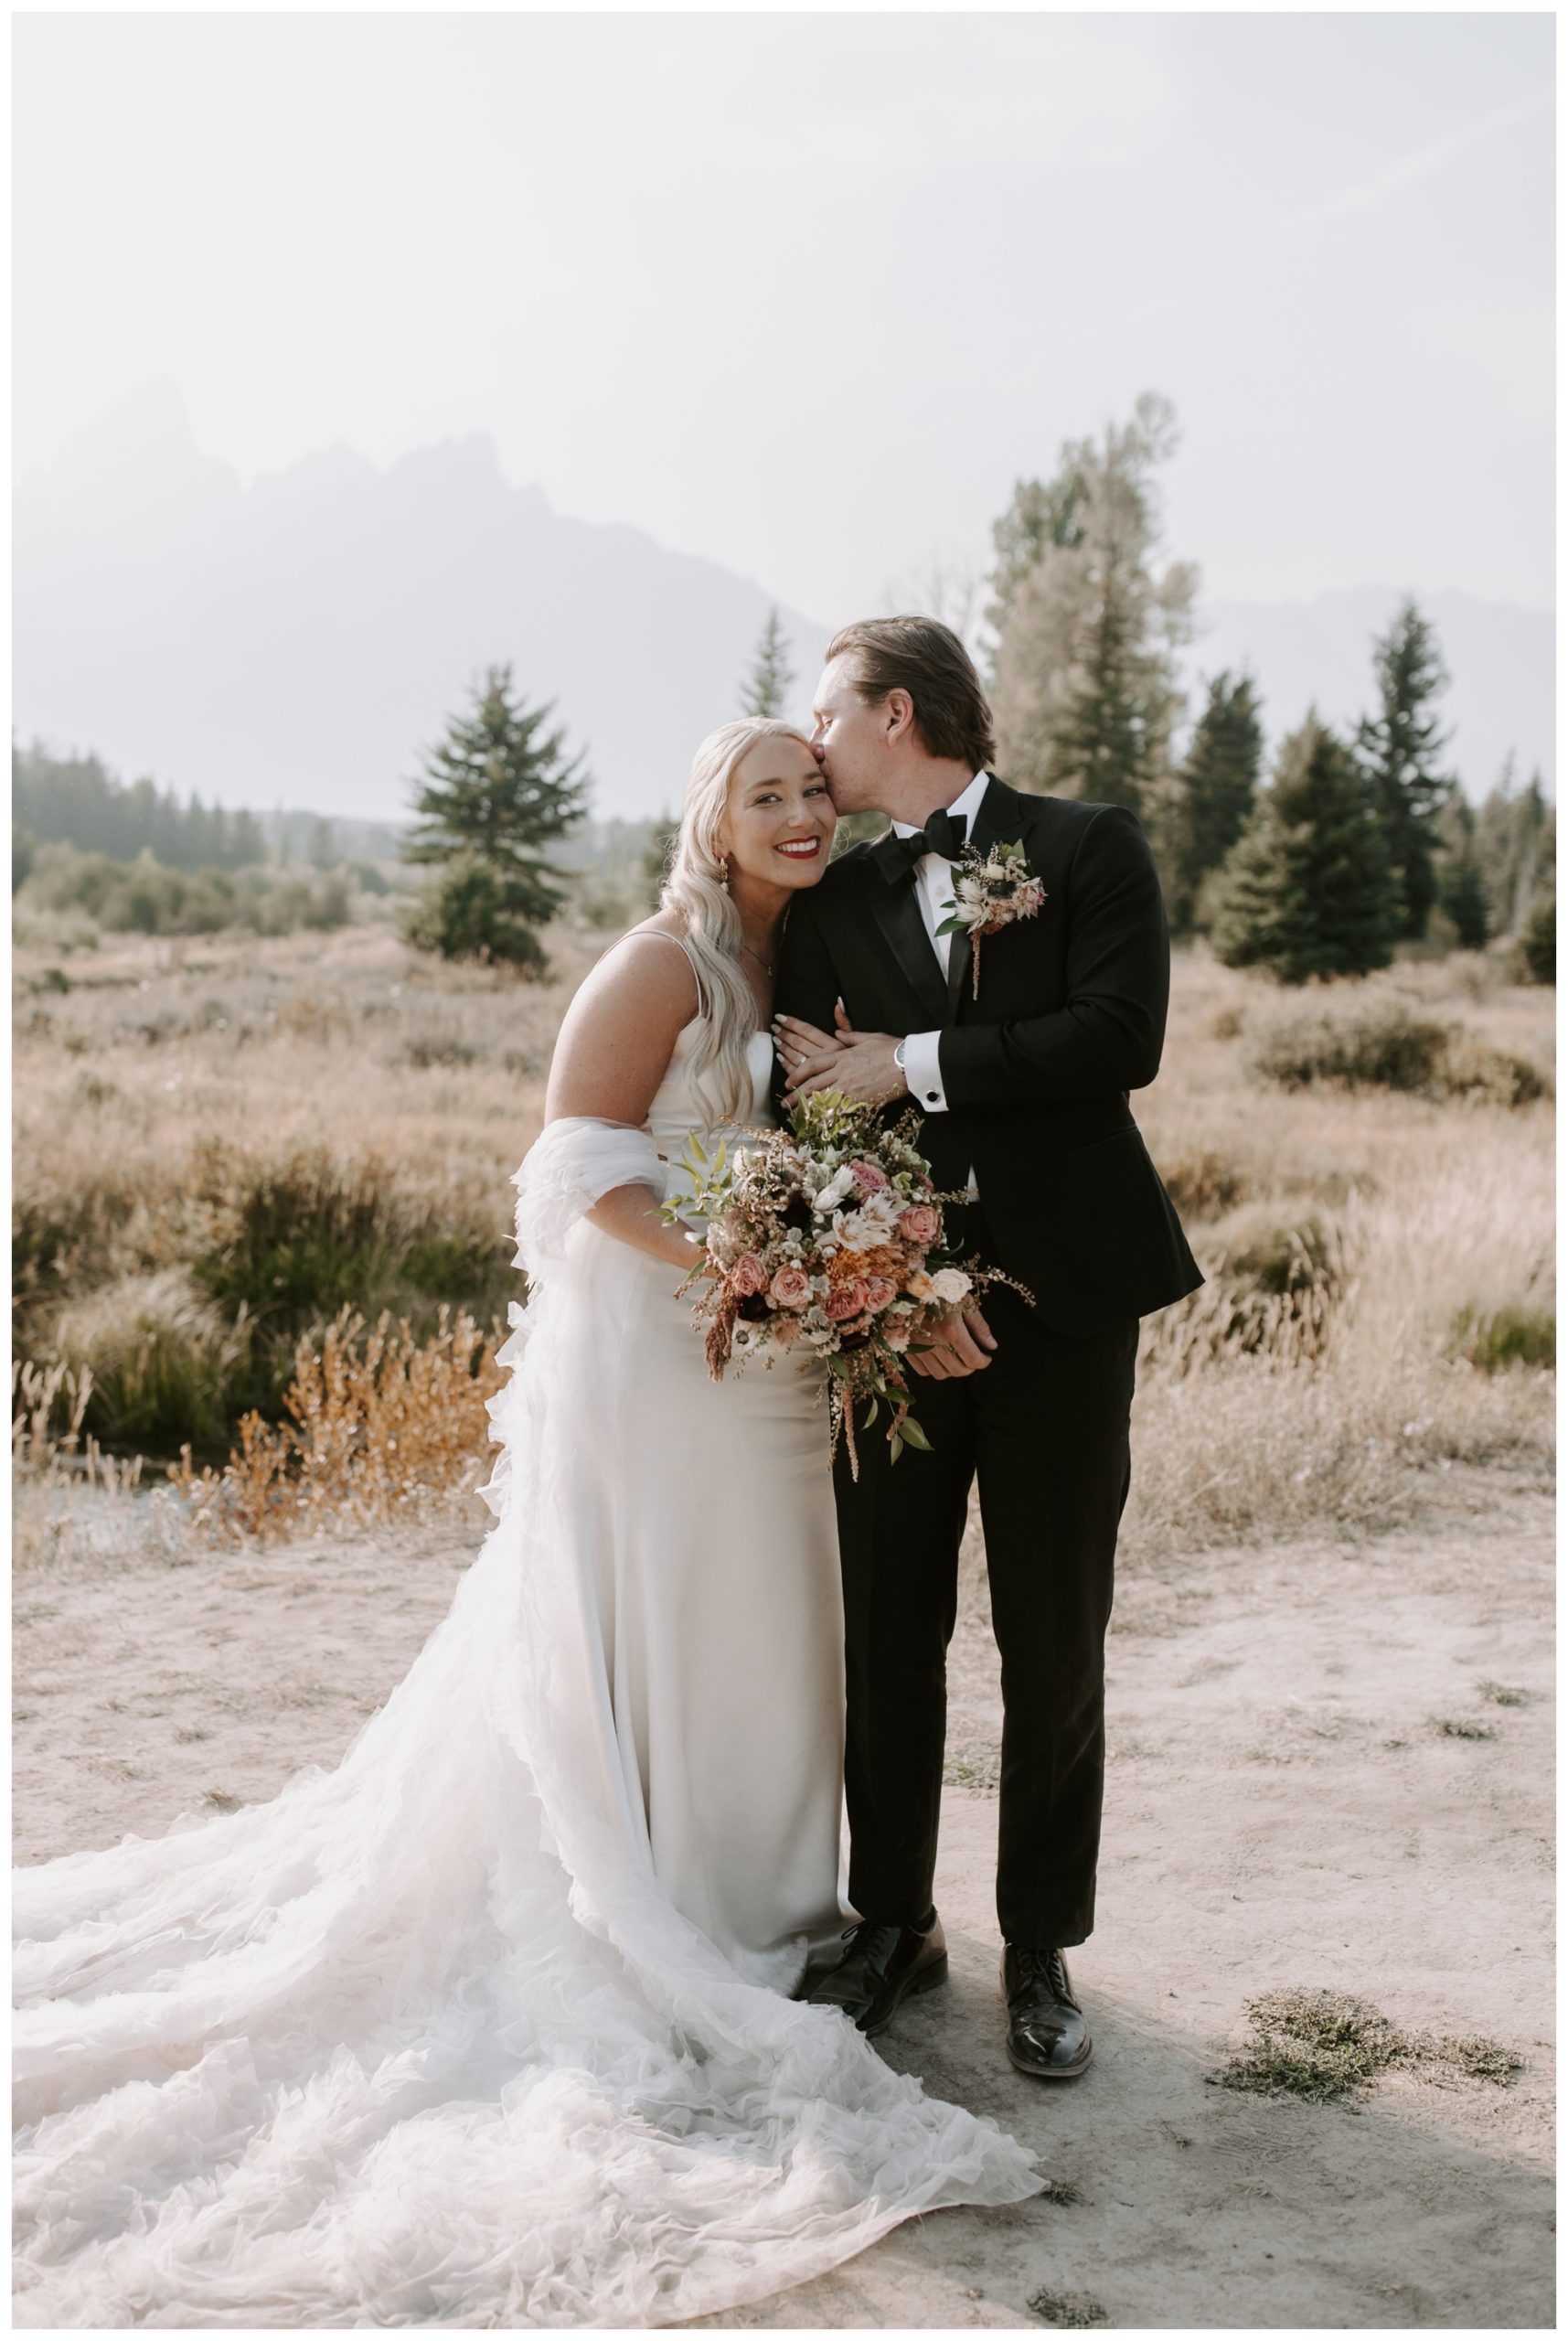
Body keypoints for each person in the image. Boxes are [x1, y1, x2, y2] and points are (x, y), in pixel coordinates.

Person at [13, 716, 1038, 2331]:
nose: (798, 815)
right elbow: (570, 1170)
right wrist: (749, 1262)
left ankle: (767, 1904)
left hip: (772, 1360)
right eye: (764, 796)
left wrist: (847, 1263)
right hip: (660, 1346)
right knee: (660, 1599)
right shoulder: (658, 964)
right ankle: (669, 1908)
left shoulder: (812, 955)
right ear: (709, 822)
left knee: (769, 1618)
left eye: (812, 793)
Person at [772, 618, 1203, 2081]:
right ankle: (894, 1921)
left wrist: (910, 1061)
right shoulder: (834, 897)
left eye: (826, 715)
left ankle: (1040, 1943)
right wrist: (902, 1290)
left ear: (895, 715)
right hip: (899, 1322)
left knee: (1054, 1633)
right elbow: (810, 1111)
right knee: (889, 1628)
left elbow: (1118, 1038)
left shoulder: (1085, 848)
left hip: (1068, 1307)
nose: (813, 742)